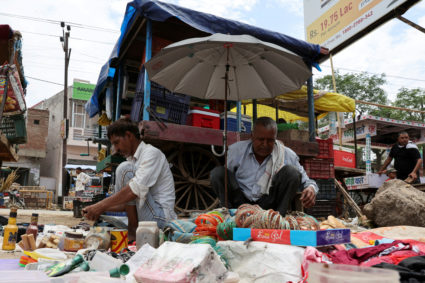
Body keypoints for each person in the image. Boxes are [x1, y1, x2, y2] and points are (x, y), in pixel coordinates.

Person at [82, 118, 177, 233]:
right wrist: (95, 209)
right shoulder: (132, 160)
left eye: (116, 143)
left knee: (124, 169)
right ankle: (132, 227)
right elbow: (123, 204)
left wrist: (100, 206)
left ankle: (132, 229)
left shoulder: (151, 153)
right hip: (146, 217)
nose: (116, 149)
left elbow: (134, 190)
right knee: (124, 169)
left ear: (129, 135)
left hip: (160, 219)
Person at [210, 117, 318, 216]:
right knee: (218, 173)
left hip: (270, 205)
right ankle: (229, 215)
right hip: (240, 202)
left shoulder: (287, 154)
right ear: (252, 136)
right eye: (261, 139)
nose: (265, 144)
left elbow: (307, 182)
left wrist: (310, 189)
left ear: (275, 137)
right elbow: (226, 180)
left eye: (270, 140)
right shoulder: (236, 151)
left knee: (292, 172)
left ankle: (278, 219)